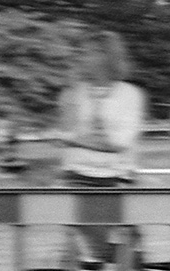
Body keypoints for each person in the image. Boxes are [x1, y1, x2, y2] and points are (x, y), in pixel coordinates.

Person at [55, 33, 147, 187]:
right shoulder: (73, 92)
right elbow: (62, 134)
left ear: (104, 56)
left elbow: (121, 142)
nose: (80, 59)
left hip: (117, 177)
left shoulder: (130, 94)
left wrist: (76, 141)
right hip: (75, 175)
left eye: (86, 53)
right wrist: (71, 91)